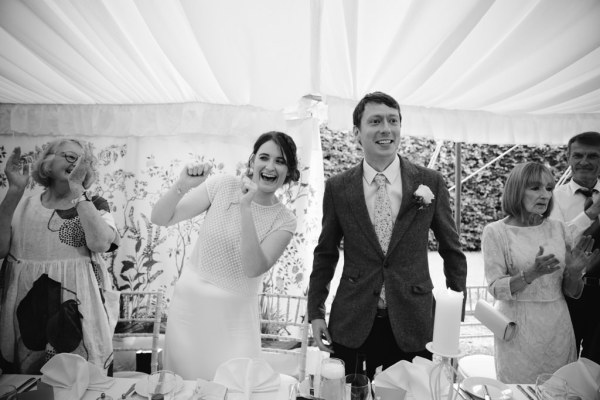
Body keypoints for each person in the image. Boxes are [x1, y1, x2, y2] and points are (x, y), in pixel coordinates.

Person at [307, 91, 467, 379]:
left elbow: (451, 250)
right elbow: (326, 253)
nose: (386, 129)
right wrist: (316, 311)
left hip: (414, 321)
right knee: (349, 393)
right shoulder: (338, 188)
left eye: (393, 120)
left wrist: (453, 317)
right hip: (353, 319)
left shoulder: (430, 182)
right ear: (357, 132)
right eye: (376, 121)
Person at [151, 131, 300, 380]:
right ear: (252, 162)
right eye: (264, 157)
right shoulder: (223, 185)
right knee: (184, 389)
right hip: (189, 314)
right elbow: (160, 218)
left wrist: (246, 207)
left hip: (235, 323)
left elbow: (253, 268)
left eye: (281, 161)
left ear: (289, 171)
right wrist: (183, 185)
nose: (270, 166)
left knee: (235, 386)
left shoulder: (284, 220)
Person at [0, 139, 119, 374]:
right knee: (29, 385)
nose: (75, 162)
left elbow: (100, 243)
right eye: (68, 156)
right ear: (47, 163)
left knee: (81, 383)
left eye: (81, 159)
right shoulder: (23, 205)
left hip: (79, 313)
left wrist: (78, 191)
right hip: (27, 313)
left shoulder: (94, 203)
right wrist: (13, 192)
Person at [482, 162, 596, 383]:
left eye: (549, 188)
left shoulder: (559, 228)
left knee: (559, 391)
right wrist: (531, 274)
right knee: (519, 393)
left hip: (557, 327)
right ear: (516, 190)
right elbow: (496, 289)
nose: (544, 195)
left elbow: (572, 292)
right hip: (517, 331)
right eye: (535, 188)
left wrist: (573, 273)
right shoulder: (496, 231)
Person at [550, 131, 600, 363]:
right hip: (567, 293)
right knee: (563, 362)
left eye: (593, 156)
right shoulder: (553, 198)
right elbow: (558, 241)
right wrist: (592, 212)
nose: (584, 162)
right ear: (568, 157)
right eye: (578, 155)